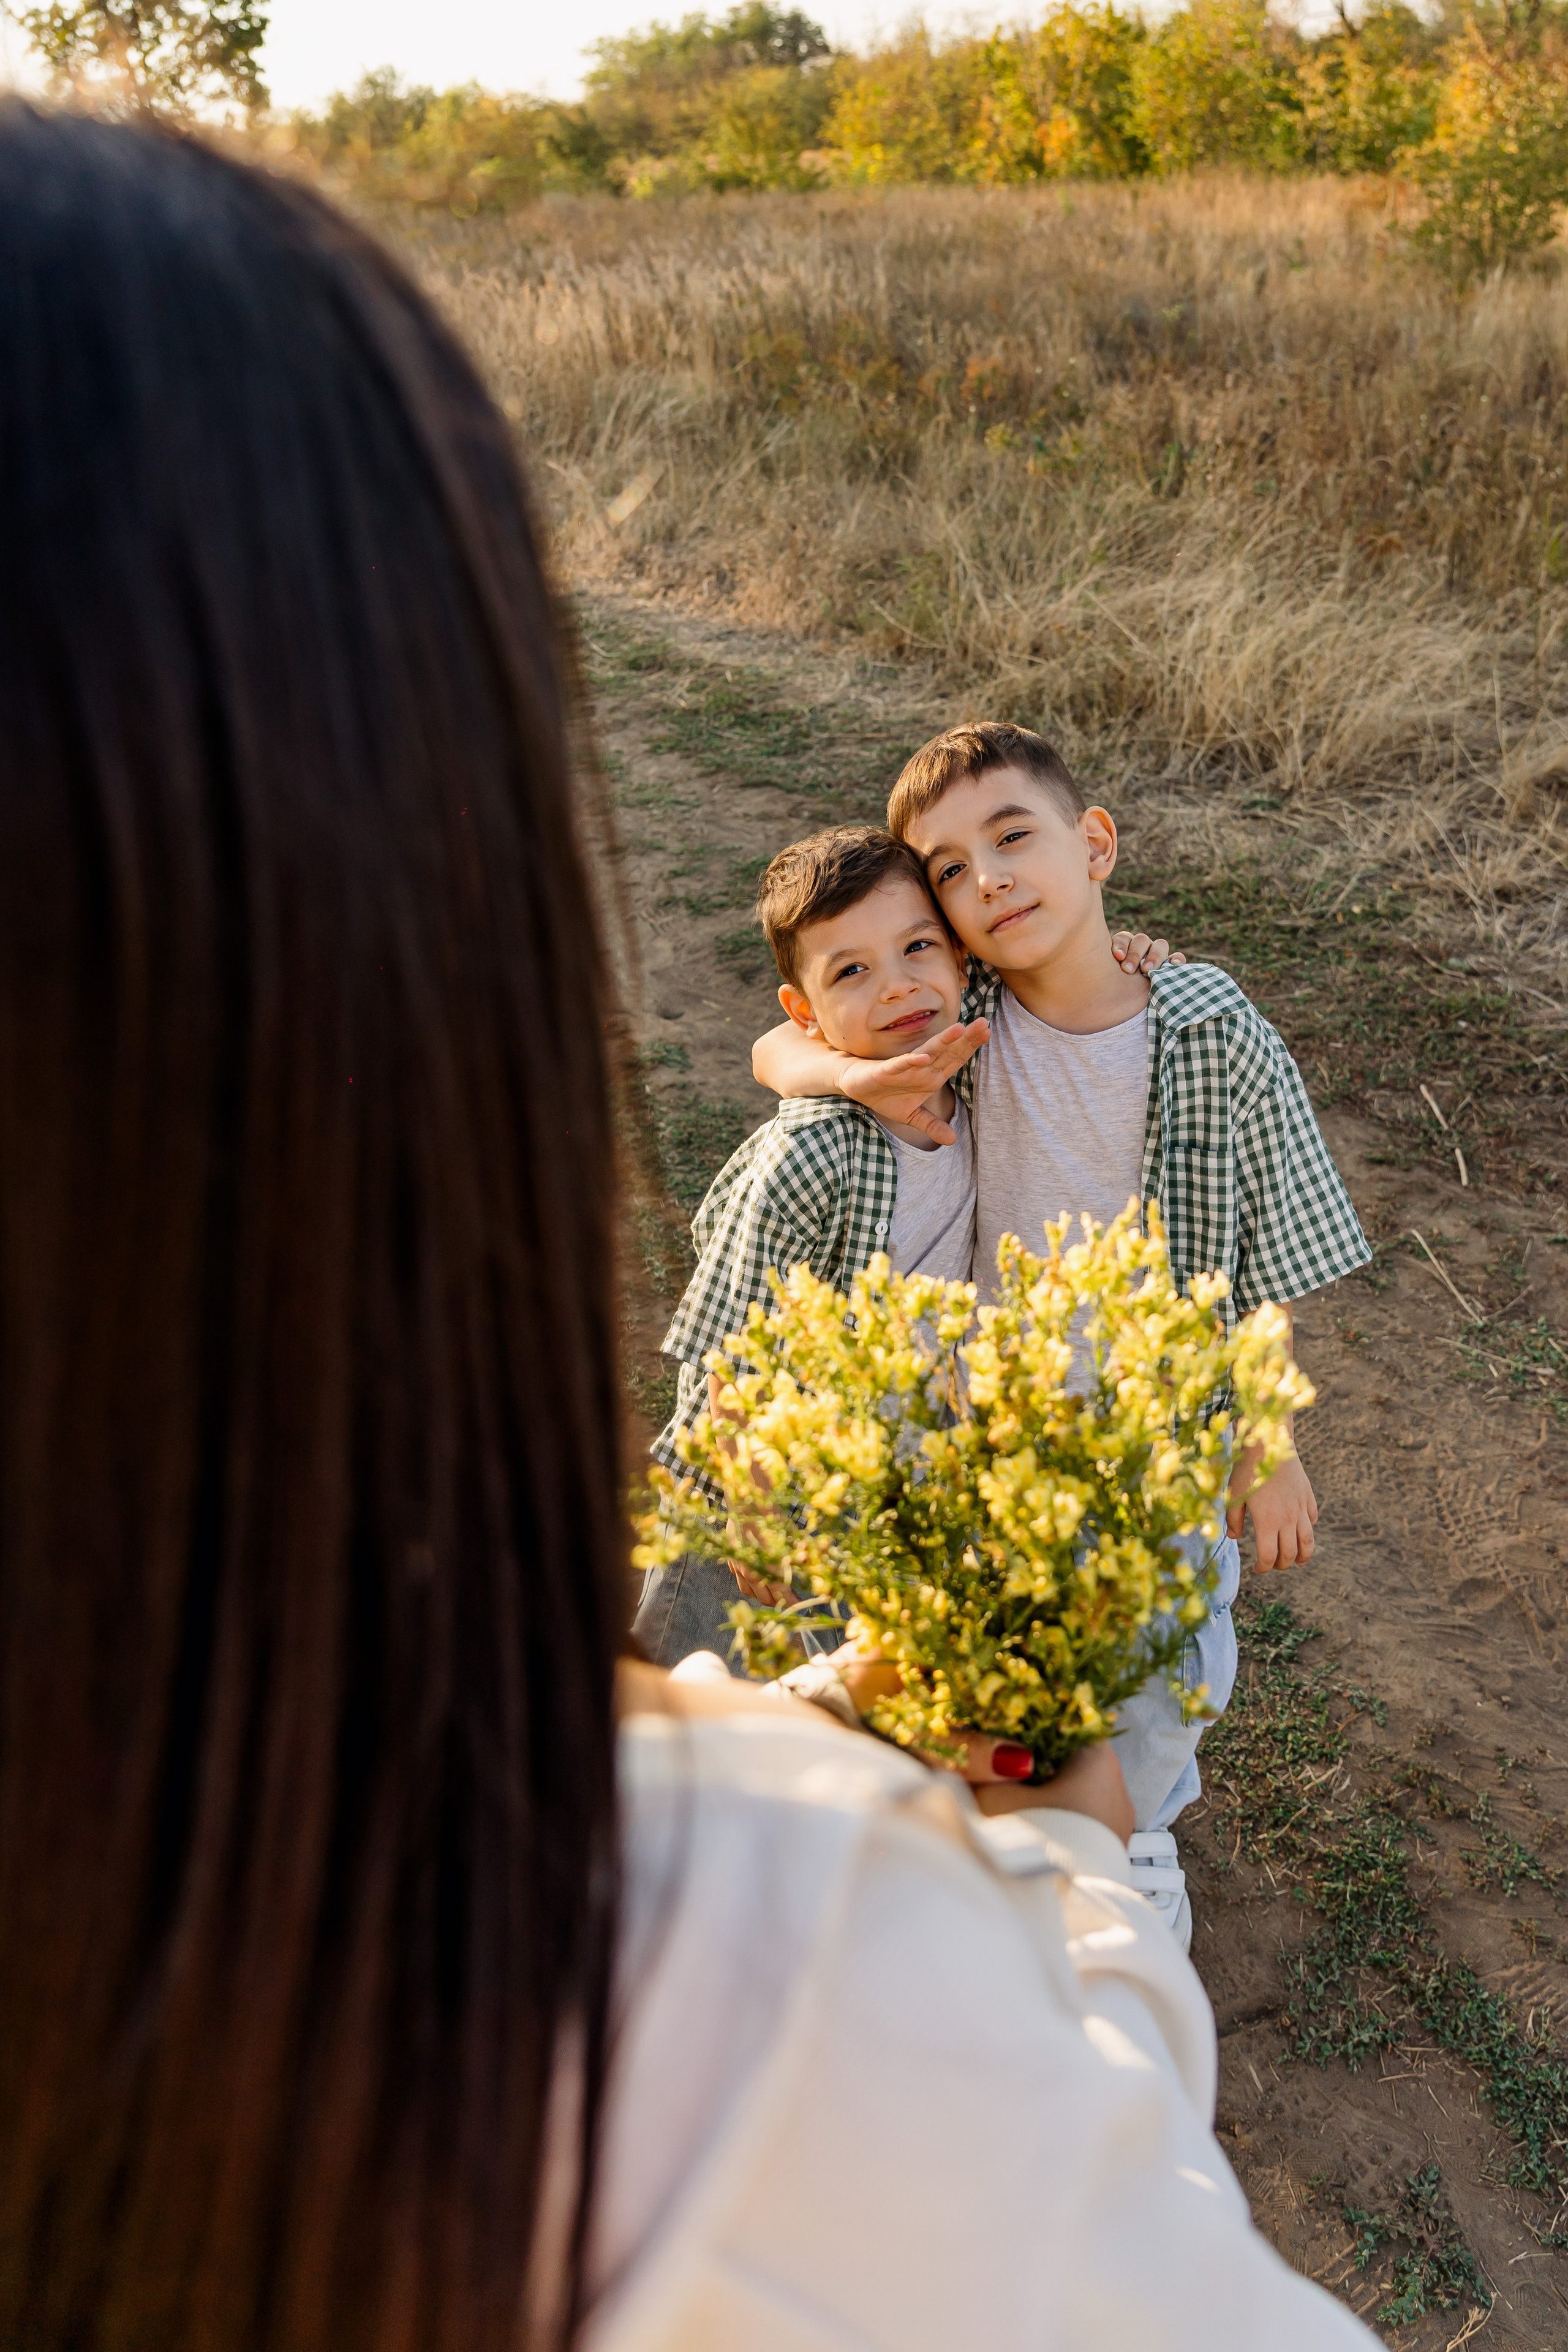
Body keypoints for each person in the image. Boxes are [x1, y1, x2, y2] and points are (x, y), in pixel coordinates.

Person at [0, 104, 1378, 2352]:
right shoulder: (754, 1971)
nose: (943, 955)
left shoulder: (1111, 1032)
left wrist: (803, 1710)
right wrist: (1076, 1876)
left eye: (968, 907)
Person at [753, 722, 1371, 1944]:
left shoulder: (1206, 1026)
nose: (985, 879)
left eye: (1011, 838)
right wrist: (842, 1078)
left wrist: (1269, 1438)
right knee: (990, 1639)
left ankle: (1131, 1849)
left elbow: (1255, 1254)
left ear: (1093, 844)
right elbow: (781, 1043)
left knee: (1159, 1650)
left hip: (1157, 1437)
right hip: (990, 1422)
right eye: (948, 869)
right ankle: (991, 1838)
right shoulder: (956, 1013)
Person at [636, 821, 1175, 1672]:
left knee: (837, 1711)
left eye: (917, 947)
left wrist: (1129, 954)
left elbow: (1065, 978)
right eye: (851, 972)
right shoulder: (811, 1152)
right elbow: (732, 1344)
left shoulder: (971, 1070)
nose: (896, 987)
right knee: (693, 1705)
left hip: (882, 1487)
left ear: (960, 957)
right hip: (760, 1488)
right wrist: (750, 1499)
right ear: (806, 1014)